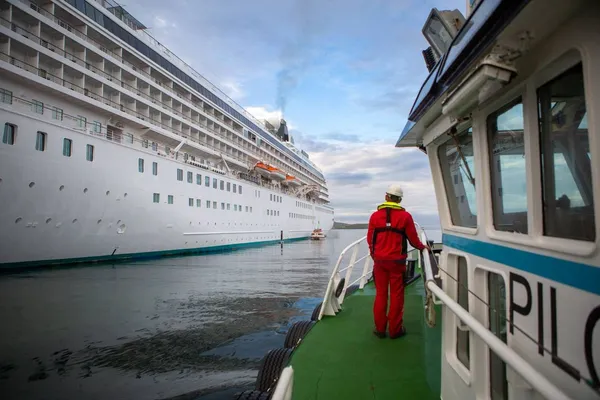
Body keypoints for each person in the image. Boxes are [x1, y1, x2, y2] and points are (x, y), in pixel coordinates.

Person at [367, 184, 430, 339]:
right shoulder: (405, 217)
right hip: (397, 262)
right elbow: (414, 240)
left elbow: (370, 239)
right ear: (400, 200)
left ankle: (380, 329)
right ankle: (395, 330)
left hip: (380, 261)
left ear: (386, 197)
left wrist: (374, 255)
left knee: (381, 294)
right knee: (397, 295)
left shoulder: (375, 216)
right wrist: (423, 247)